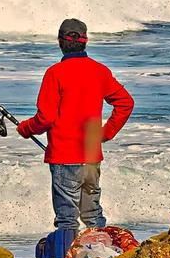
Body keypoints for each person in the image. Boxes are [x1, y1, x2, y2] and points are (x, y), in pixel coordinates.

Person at [17, 18, 134, 235]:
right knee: (93, 215)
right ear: (85, 41)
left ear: (60, 42)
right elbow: (126, 103)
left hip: (64, 157)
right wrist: (104, 134)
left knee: (67, 220)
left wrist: (25, 128)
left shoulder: (55, 73)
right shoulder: (99, 71)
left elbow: (45, 119)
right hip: (91, 154)